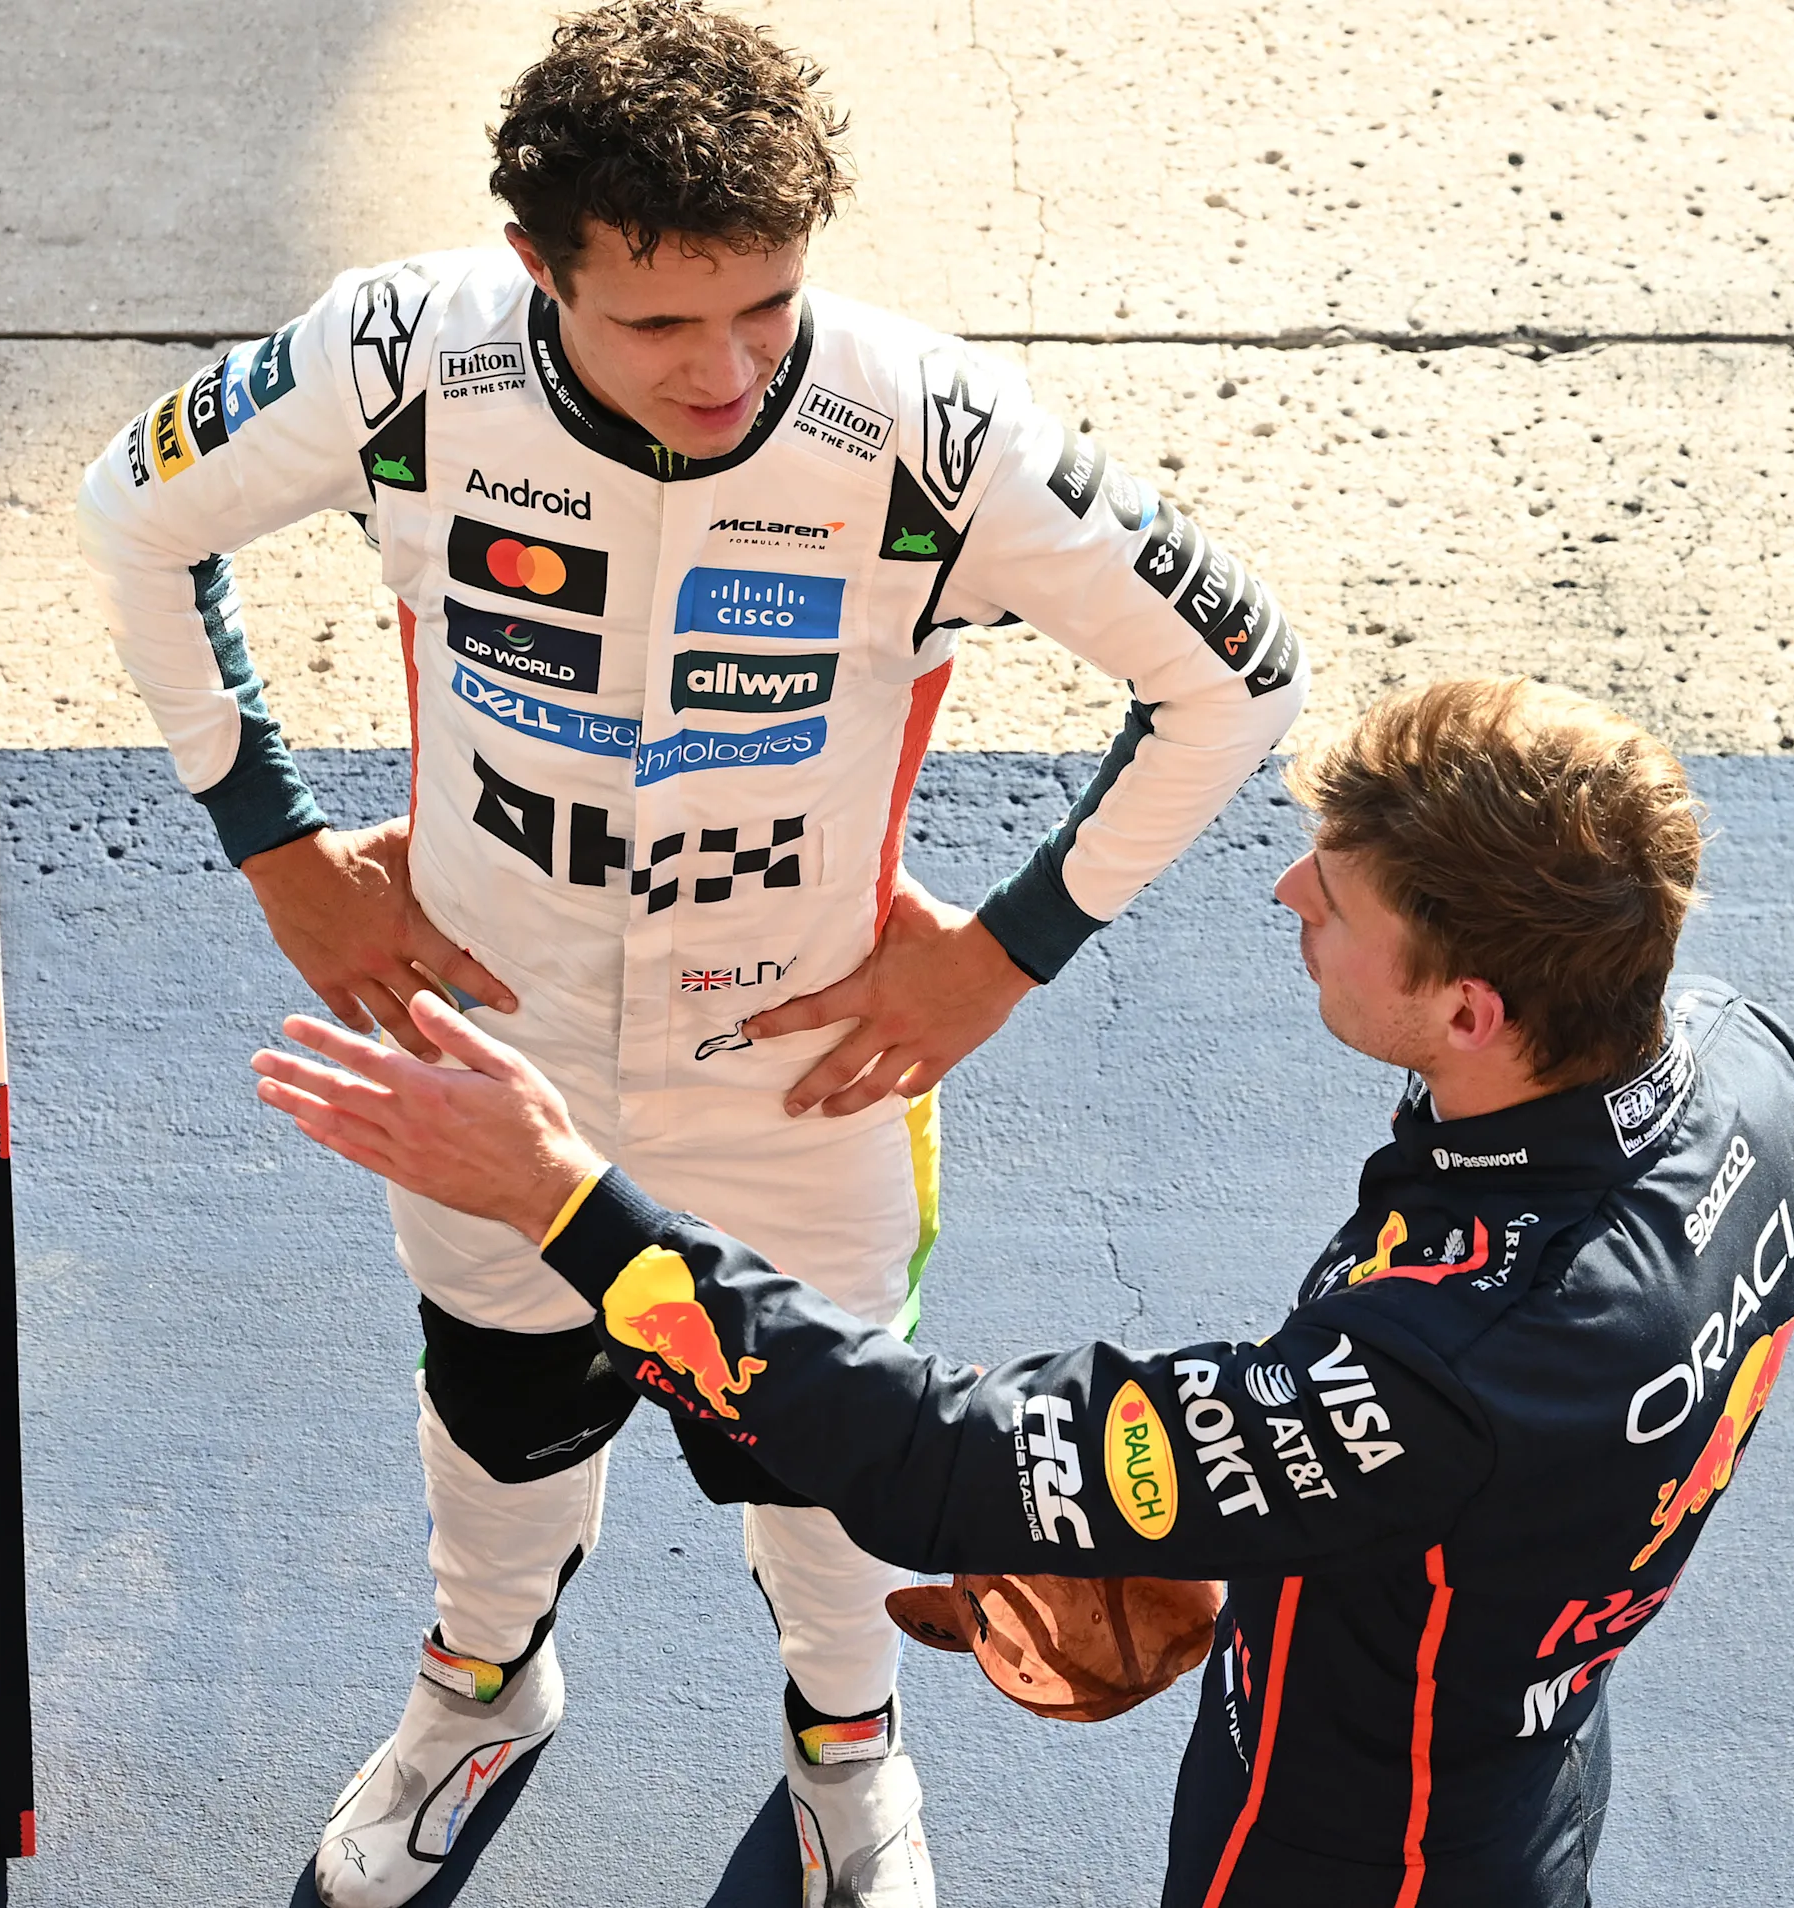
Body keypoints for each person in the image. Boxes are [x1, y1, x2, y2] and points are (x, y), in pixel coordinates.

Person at [78, 5, 1305, 1901]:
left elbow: (1234, 674)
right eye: (659, 323)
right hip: (492, 1033)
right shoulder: (404, 352)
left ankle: (849, 1742)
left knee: (838, 1457)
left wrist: (1002, 955)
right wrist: (279, 852)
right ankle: (480, 1688)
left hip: (799, 1071)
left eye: (768, 303)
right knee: (498, 1396)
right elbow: (133, 516)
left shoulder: (924, 419)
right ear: (535, 267)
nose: (727, 368)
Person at [253, 680, 1794, 1908]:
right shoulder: (1746, 1074)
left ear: (1473, 1009)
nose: (1288, 895)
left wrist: (558, 1198)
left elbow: (937, 1463)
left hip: (1349, 1853)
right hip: (1521, 1757)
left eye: (1340, 904)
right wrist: (1311, 1513)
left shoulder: (1454, 1373)